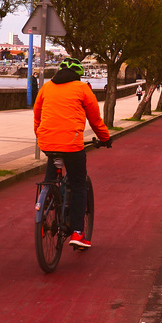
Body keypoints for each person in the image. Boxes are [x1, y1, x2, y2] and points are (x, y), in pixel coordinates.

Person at [33, 57, 111, 250]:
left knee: (51, 179)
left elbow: (37, 115)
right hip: (71, 143)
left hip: (47, 142)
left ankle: (44, 211)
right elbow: (95, 119)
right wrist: (105, 138)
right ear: (78, 74)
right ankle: (77, 232)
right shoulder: (83, 89)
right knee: (78, 184)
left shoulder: (46, 88)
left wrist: (42, 137)